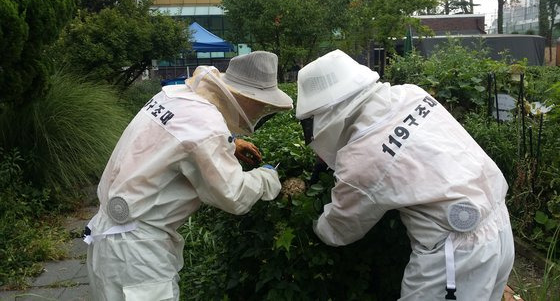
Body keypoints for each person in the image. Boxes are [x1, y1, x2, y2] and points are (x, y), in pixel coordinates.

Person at [295, 49, 514, 300]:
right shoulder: (412, 94)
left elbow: (339, 229)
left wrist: (311, 225)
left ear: (326, 113)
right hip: (499, 224)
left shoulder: (361, 160)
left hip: (456, 255)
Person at [84, 51, 293, 300]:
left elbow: (174, 136)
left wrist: (229, 144)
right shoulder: (207, 129)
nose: (262, 110)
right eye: (261, 103)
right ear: (244, 96)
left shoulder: (175, 96)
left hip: (109, 238)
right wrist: (268, 177)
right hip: (137, 258)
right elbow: (234, 195)